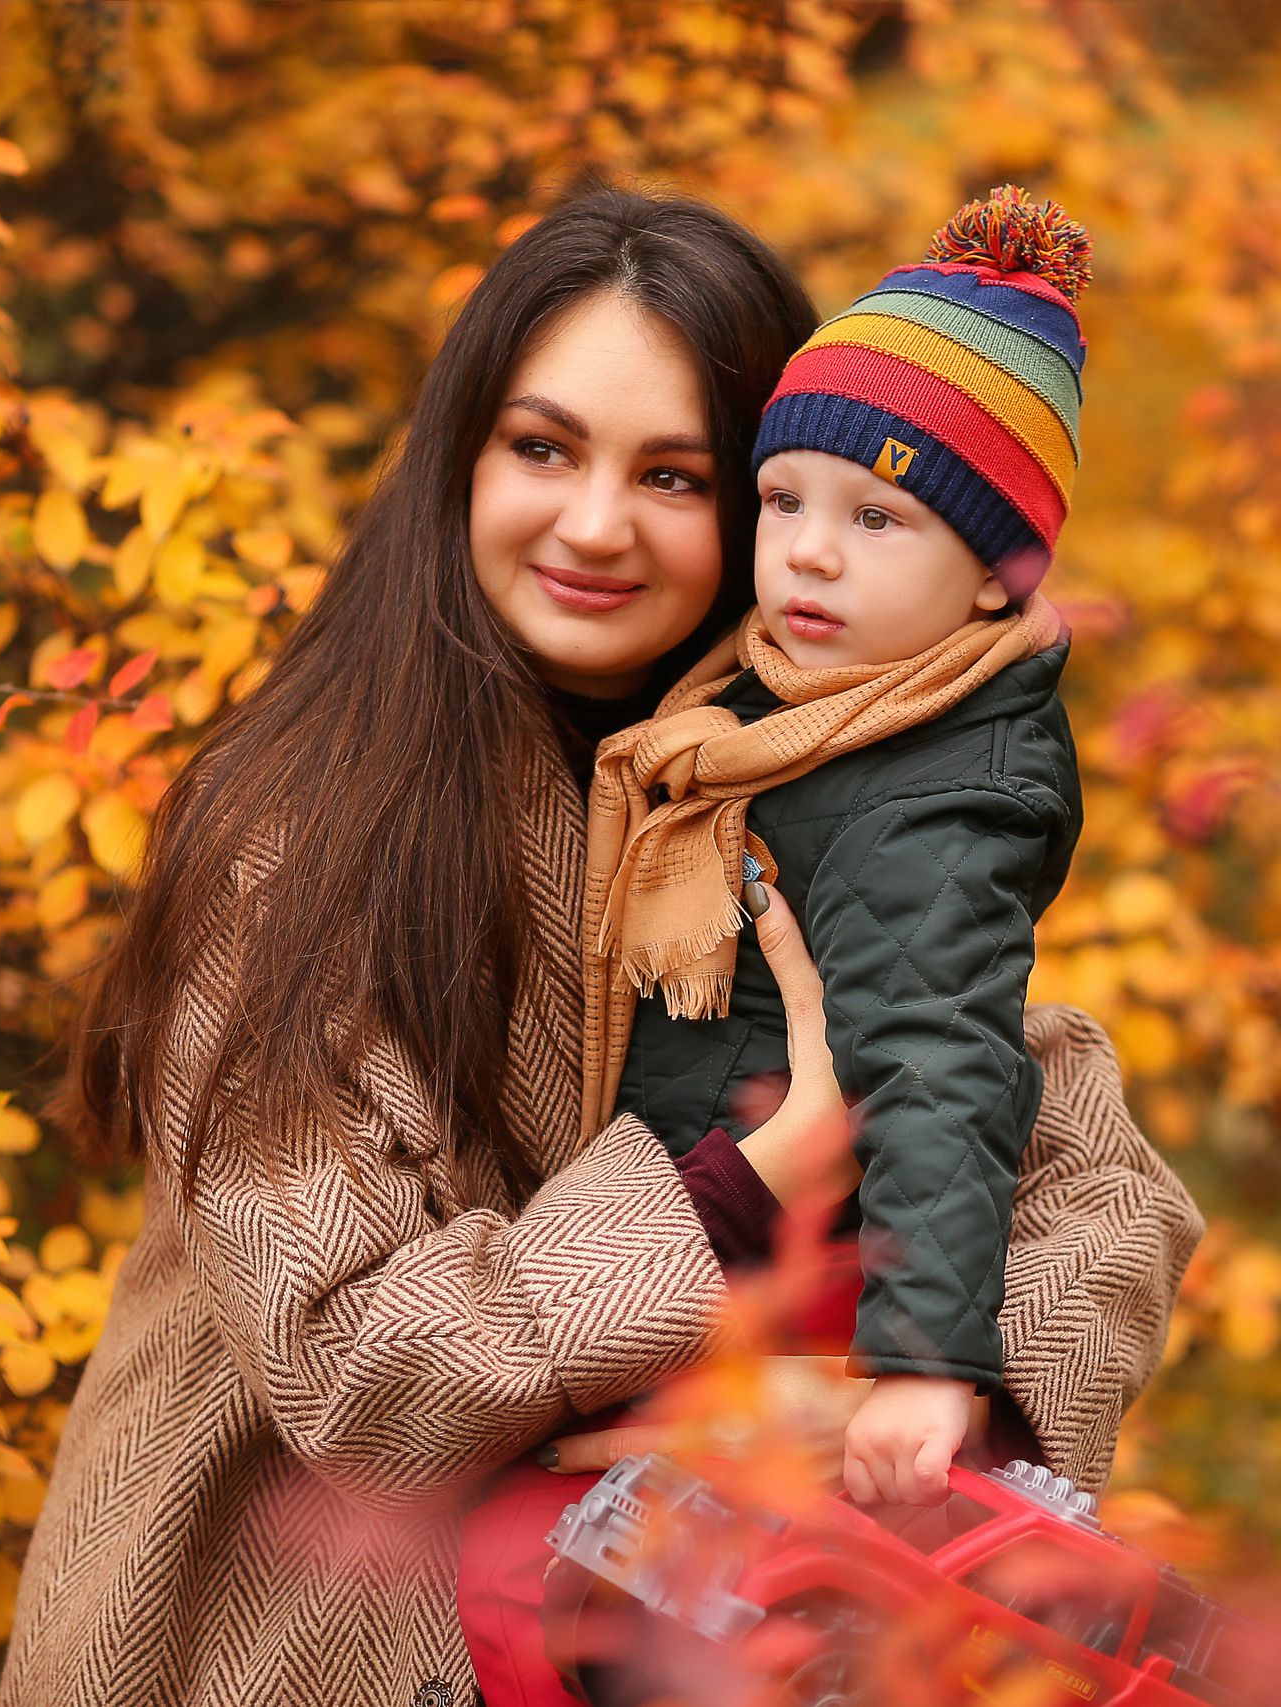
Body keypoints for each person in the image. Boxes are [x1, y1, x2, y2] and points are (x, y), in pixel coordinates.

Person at [0, 188, 1198, 1707]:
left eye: (677, 474)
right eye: (542, 447)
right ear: (462, 459)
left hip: (654, 1627)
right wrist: (765, 1174)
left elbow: (1099, 1182)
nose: (592, 524)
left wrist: (919, 1395)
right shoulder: (297, 830)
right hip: (300, 1638)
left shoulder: (793, 771)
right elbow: (361, 1371)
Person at [453, 188, 1134, 1705]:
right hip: (710, 1262)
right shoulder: (762, 714)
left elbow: (964, 1070)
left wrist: (923, 1364)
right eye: (788, 503)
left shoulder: (926, 787)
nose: (813, 558)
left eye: (879, 518)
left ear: (991, 581)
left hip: (809, 1295)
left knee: (701, 1597)